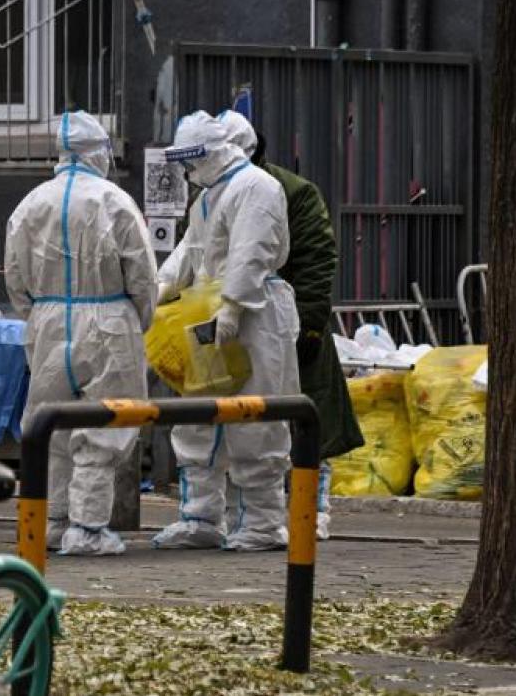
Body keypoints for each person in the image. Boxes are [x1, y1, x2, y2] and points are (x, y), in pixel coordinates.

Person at [4, 110, 157, 556]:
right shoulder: (115, 201)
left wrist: (38, 313)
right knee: (102, 424)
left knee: (50, 426)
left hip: (50, 321)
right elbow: (143, 275)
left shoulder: (30, 204)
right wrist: (139, 319)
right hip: (109, 321)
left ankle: (50, 521)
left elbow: (15, 277)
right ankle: (88, 528)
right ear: (99, 152)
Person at [151, 110, 299, 551]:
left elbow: (252, 251)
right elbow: (192, 249)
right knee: (200, 415)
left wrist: (233, 306)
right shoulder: (209, 198)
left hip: (254, 315)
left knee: (257, 417)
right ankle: (201, 516)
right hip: (209, 310)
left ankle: (264, 522)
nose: (188, 172)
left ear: (215, 152)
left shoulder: (256, 187)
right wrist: (164, 283)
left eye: (193, 161)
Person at [237, 120, 363, 540]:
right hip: (243, 323)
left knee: (307, 419)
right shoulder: (215, 190)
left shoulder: (290, 192)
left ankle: (313, 506)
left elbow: (315, 259)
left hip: (285, 320)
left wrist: (308, 326)